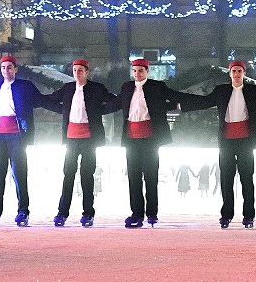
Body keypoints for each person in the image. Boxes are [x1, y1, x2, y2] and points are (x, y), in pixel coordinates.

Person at [109, 57, 198, 228]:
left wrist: (192, 102)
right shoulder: (127, 87)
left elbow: (174, 97)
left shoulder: (157, 87)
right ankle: (136, 213)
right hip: (131, 138)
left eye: (141, 71)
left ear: (147, 72)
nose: (137, 74)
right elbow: (115, 104)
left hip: (151, 138)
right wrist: (93, 109)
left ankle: (152, 213)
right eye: (134, 71)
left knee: (151, 177)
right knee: (134, 178)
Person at [42, 58, 115, 228]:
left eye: (80, 70)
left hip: (89, 139)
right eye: (75, 70)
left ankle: (88, 214)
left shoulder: (97, 89)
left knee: (87, 177)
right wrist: (62, 110)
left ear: (87, 72)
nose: (77, 73)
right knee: (68, 175)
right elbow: (51, 99)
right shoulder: (68, 89)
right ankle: (62, 213)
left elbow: (114, 101)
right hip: (71, 139)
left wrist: (99, 112)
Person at [0, 54, 47, 227]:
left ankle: (23, 211)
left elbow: (41, 100)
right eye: (3, 68)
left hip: (17, 135)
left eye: (9, 67)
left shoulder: (24, 86)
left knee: (19, 174)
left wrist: (63, 105)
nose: (6, 70)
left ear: (16, 69)